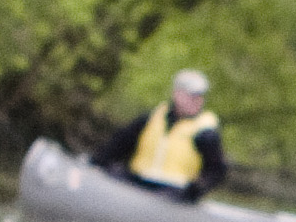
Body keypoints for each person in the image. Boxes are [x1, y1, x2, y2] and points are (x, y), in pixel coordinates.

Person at [92, 68, 226, 200]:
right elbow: (118, 145)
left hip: (175, 191)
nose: (197, 101)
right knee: (114, 171)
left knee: (169, 195)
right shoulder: (150, 118)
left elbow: (217, 171)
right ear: (177, 94)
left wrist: (194, 190)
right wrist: (96, 164)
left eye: (200, 97)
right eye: (192, 96)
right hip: (139, 179)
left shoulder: (206, 133)